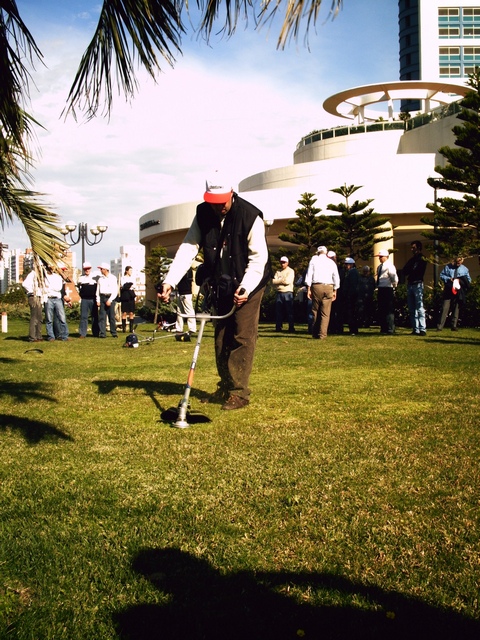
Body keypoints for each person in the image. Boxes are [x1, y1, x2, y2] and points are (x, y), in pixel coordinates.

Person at [158, 173, 270, 410]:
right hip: (221, 283)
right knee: (221, 336)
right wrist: (169, 280)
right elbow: (188, 248)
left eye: (222, 201)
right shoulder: (203, 214)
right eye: (213, 201)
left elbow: (258, 260)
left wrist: (245, 288)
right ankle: (226, 387)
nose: (218, 206)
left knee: (241, 335)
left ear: (231, 193)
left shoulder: (251, 216)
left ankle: (239, 392)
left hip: (250, 282)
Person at [304, 246, 340, 340]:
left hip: (317, 286)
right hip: (329, 286)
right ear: (326, 252)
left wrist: (309, 289)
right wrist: (335, 290)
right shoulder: (331, 262)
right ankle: (323, 334)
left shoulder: (314, 261)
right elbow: (336, 276)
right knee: (325, 313)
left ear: (318, 252)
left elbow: (309, 275)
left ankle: (315, 332)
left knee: (315, 310)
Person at [437, 256, 471, 331]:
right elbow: (442, 275)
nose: (458, 264)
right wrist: (449, 279)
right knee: (445, 307)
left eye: (459, 262)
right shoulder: (448, 267)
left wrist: (461, 281)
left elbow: (469, 280)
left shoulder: (464, 269)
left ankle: (454, 325)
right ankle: (440, 326)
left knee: (456, 308)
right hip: (449, 289)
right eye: (457, 262)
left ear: (462, 261)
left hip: (458, 290)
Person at [403, 240, 427, 336]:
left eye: (413, 247)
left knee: (419, 307)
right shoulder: (411, 260)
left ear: (418, 248)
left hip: (417, 284)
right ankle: (415, 328)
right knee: (412, 308)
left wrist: (411, 270)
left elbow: (418, 271)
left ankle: (422, 329)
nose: (412, 249)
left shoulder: (422, 259)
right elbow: (405, 270)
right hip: (410, 284)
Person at [44, 265, 70, 341]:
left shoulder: (57, 277)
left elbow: (59, 287)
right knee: (49, 319)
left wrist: (49, 287)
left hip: (57, 298)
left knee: (62, 318)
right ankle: (51, 336)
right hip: (49, 298)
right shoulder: (45, 277)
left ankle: (64, 335)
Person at [375, 249, 398, 335]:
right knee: (382, 309)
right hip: (381, 288)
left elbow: (393, 277)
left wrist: (394, 286)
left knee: (388, 309)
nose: (379, 258)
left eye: (381, 257)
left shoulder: (389, 266)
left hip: (387, 288)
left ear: (386, 257)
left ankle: (390, 328)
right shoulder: (380, 267)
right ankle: (383, 327)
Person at [272, 256, 295, 333]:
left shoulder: (291, 271)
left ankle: (291, 327)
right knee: (278, 311)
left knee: (289, 311)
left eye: (284, 262)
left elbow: (287, 281)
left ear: (287, 263)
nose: (282, 264)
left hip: (288, 292)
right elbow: (273, 281)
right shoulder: (278, 271)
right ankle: (278, 327)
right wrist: (282, 280)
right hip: (279, 293)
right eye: (281, 262)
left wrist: (278, 281)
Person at [22, 267, 45, 342]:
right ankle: (32, 337)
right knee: (34, 317)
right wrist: (32, 291)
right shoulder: (32, 274)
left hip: (39, 297)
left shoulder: (40, 275)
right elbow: (24, 284)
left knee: (39, 317)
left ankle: (38, 336)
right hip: (33, 296)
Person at [77, 261, 99, 338]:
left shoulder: (95, 277)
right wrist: (81, 295)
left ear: (91, 268)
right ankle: (83, 333)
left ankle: (96, 332)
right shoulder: (81, 278)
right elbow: (78, 288)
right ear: (83, 269)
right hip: (84, 299)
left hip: (93, 299)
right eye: (85, 269)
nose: (87, 270)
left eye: (88, 268)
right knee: (83, 317)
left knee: (95, 316)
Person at [97, 262, 119, 338]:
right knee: (102, 317)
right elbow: (98, 290)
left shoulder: (113, 278)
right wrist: (98, 300)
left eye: (101, 269)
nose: (100, 270)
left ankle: (113, 332)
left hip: (110, 297)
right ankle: (102, 333)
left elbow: (115, 291)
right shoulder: (100, 279)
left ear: (106, 269)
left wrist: (110, 300)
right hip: (102, 297)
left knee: (111, 317)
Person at [327, 250, 344, 335]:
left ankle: (339, 328)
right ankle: (331, 328)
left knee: (339, 311)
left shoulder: (340, 269)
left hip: (339, 293)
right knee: (330, 311)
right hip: (329, 291)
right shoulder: (326, 268)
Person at [175, 268, 197, 335]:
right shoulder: (182, 269)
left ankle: (192, 329)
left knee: (189, 311)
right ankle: (179, 329)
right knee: (179, 312)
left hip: (186, 293)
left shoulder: (187, 270)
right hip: (181, 292)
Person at [342, 257, 359, 335]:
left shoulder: (353, 273)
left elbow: (352, 285)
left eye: (347, 264)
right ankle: (352, 329)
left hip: (352, 296)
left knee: (352, 313)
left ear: (352, 264)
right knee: (350, 313)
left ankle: (353, 329)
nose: (346, 266)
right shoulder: (350, 272)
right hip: (350, 295)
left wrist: (349, 294)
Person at [120, 265, 136, 333]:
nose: (131, 272)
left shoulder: (133, 278)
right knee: (124, 312)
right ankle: (123, 328)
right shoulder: (123, 278)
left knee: (131, 312)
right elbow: (123, 286)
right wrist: (128, 285)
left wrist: (129, 285)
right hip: (125, 295)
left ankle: (131, 328)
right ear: (126, 271)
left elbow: (134, 286)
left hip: (131, 295)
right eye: (130, 270)